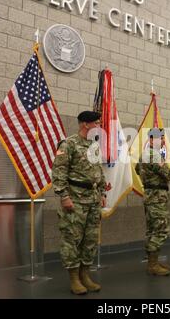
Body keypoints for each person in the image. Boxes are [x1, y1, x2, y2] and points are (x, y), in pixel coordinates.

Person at [52, 111, 107, 295]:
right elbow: (59, 172)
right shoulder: (68, 144)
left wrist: (102, 192)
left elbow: (99, 170)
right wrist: (64, 196)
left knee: (90, 239)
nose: (99, 126)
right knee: (72, 239)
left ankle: (85, 275)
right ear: (85, 124)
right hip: (75, 199)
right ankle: (74, 279)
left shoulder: (94, 145)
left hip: (93, 199)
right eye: (97, 123)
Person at [136, 128, 170, 276]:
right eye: (159, 138)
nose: (162, 141)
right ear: (152, 140)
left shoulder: (145, 155)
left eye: (162, 138)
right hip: (156, 198)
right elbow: (168, 174)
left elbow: (137, 169)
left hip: (150, 196)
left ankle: (152, 262)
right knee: (162, 230)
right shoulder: (153, 155)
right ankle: (152, 265)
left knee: (152, 230)